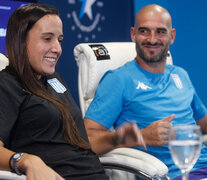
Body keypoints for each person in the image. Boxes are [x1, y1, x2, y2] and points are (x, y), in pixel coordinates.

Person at [0, 3, 146, 180]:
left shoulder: (54, 80)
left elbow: (81, 145)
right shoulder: (7, 84)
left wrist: (115, 139)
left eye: (59, 40)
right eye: (47, 39)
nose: (58, 48)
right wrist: (27, 161)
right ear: (21, 41)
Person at [84, 4, 207, 180]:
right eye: (144, 31)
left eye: (160, 32)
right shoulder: (119, 79)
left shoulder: (180, 75)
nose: (152, 39)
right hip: (174, 174)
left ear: (171, 36)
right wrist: (140, 136)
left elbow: (204, 122)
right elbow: (86, 141)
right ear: (133, 34)